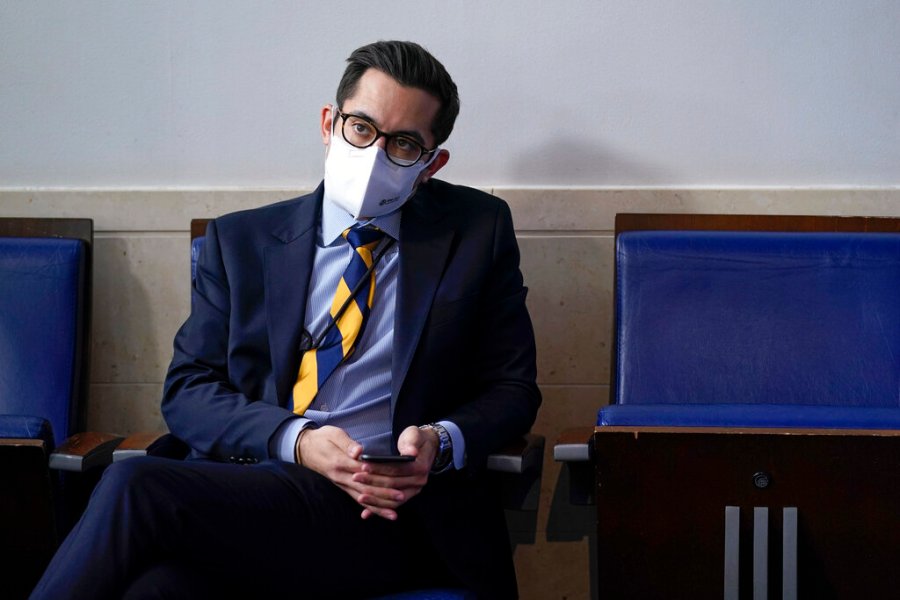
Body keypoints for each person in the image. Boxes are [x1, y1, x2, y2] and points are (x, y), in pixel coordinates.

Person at [31, 40, 540, 599]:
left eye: (403, 144)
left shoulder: (475, 232)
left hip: (381, 515)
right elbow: (188, 390)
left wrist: (441, 442)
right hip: (252, 486)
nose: (373, 154)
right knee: (154, 592)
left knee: (133, 483)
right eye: (362, 129)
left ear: (430, 163)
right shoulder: (242, 241)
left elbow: (512, 388)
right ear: (329, 123)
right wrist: (295, 440)